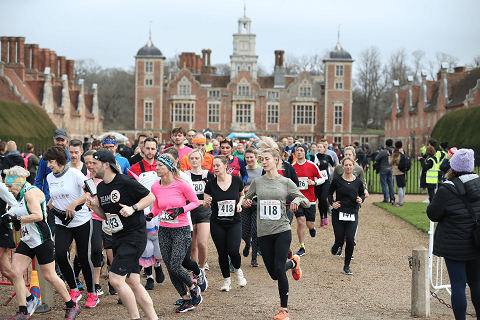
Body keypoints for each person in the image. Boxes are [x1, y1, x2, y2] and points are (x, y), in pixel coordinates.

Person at [86, 150, 159, 320]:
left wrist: (133, 208)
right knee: (133, 281)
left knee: (116, 279)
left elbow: (151, 197)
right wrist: (94, 207)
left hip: (134, 236)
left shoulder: (126, 181)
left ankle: (135, 318)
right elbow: (106, 216)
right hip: (118, 237)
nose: (91, 166)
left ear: (106, 165)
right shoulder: (101, 187)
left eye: (94, 164)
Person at [244, 136, 309, 320]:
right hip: (264, 232)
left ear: (276, 160)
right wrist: (247, 201)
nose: (263, 162)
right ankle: (294, 263)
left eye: (266, 159)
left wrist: (296, 200)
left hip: (282, 230)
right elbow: (245, 198)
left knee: (279, 270)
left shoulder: (286, 182)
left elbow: (304, 200)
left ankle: (284, 310)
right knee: (274, 274)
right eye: (261, 160)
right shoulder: (257, 183)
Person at [4, 166, 81, 319]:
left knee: (50, 276)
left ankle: (72, 305)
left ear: (19, 182)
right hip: (28, 240)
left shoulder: (30, 193)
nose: (8, 190)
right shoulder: (19, 194)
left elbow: (38, 215)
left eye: (10, 186)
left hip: (41, 239)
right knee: (15, 272)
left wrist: (16, 219)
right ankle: (24, 309)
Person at [427, 149, 480, 320]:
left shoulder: (446, 189)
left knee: (458, 285)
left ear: (453, 166)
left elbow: (433, 214)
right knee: (477, 283)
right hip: (477, 240)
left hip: (454, 242)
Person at [43, 146, 98, 308]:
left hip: (81, 220)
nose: (48, 165)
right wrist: (46, 208)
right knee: (60, 254)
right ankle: (74, 289)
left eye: (51, 162)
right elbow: (54, 197)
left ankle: (92, 293)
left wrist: (74, 203)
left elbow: (91, 191)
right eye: (47, 162)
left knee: (82, 256)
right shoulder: (49, 177)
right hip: (62, 222)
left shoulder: (74, 173)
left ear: (60, 160)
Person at [150, 153, 203, 313]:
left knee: (175, 265)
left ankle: (194, 289)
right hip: (164, 230)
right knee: (170, 267)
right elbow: (158, 206)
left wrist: (181, 209)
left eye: (160, 166)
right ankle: (185, 298)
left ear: (169, 167)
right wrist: (151, 214)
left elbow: (195, 202)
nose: (157, 168)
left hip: (181, 229)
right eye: (156, 165)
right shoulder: (155, 186)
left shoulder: (182, 184)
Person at [203, 155, 247, 292]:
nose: (215, 168)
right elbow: (205, 204)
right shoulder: (210, 184)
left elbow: (242, 195)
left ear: (225, 166)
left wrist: (240, 204)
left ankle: (238, 272)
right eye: (213, 166)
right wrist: (207, 203)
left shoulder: (236, 180)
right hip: (217, 222)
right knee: (222, 252)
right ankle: (226, 281)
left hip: (234, 221)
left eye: (218, 165)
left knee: (233, 250)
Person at [128, 137, 165, 290]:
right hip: (143, 207)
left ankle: (157, 266)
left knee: (158, 241)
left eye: (153, 149)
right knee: (145, 242)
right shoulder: (135, 168)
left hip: (160, 207)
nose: (150, 152)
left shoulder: (162, 166)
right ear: (142, 148)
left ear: (157, 150)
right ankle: (149, 274)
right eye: (147, 148)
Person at [328, 156, 365, 275]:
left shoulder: (358, 181)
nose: (348, 167)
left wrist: (361, 199)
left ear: (353, 166)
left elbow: (362, 194)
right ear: (342, 166)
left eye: (350, 165)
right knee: (340, 240)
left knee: (349, 239)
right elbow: (329, 193)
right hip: (338, 212)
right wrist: (333, 203)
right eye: (346, 165)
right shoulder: (337, 180)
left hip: (352, 212)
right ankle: (336, 245)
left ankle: (346, 266)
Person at [184, 149, 214, 278]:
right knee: (192, 245)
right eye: (192, 158)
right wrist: (200, 201)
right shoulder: (184, 175)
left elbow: (211, 195)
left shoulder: (209, 175)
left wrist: (202, 202)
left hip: (204, 212)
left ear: (202, 160)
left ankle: (202, 268)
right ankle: (195, 271)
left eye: (197, 158)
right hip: (189, 212)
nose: (194, 160)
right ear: (189, 160)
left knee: (202, 243)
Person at [34, 129, 70, 234]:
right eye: (57, 140)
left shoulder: (70, 158)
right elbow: (39, 180)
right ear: (53, 140)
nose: (60, 142)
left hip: (67, 202)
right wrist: (38, 199)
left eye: (62, 140)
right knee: (50, 232)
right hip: (49, 201)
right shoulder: (45, 159)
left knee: (67, 234)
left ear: (66, 141)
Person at [292, 144, 325, 256]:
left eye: (301, 150)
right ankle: (302, 247)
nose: (299, 152)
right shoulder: (292, 167)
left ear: (305, 153)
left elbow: (322, 178)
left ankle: (312, 228)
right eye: (297, 150)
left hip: (310, 199)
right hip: (297, 199)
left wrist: (314, 182)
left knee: (309, 224)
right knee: (300, 221)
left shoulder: (312, 165)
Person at [83, 150, 108, 296]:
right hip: (90, 217)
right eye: (88, 163)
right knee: (95, 249)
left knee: (109, 249)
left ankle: (114, 281)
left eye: (93, 163)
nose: (90, 166)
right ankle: (96, 283)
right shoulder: (83, 178)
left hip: (106, 216)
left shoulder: (104, 177)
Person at [241, 147, 263, 267]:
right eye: (247, 157)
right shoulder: (243, 171)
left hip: (257, 204)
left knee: (255, 231)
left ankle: (254, 258)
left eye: (251, 157)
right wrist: (246, 190)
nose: (249, 159)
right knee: (245, 231)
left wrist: (254, 189)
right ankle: (247, 244)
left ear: (256, 158)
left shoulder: (261, 171)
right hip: (245, 204)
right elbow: (239, 188)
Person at [315, 142, 335, 227]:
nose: (319, 148)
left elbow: (333, 164)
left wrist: (332, 168)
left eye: (321, 147)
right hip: (317, 180)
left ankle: (326, 216)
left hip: (326, 180)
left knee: (324, 199)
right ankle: (321, 218)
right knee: (319, 200)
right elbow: (311, 166)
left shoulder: (327, 157)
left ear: (324, 148)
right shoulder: (314, 157)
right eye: (318, 147)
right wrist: (316, 165)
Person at [375, 139, 395, 203]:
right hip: (390, 169)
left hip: (383, 169)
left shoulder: (383, 151)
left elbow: (376, 158)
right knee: (390, 184)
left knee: (384, 184)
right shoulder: (393, 151)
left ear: (386, 144)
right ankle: (392, 198)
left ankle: (386, 199)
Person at [389, 141, 406, 206]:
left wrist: (389, 157)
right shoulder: (403, 152)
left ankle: (400, 202)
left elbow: (390, 163)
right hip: (403, 170)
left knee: (399, 187)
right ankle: (401, 201)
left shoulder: (395, 153)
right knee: (402, 187)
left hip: (397, 171)